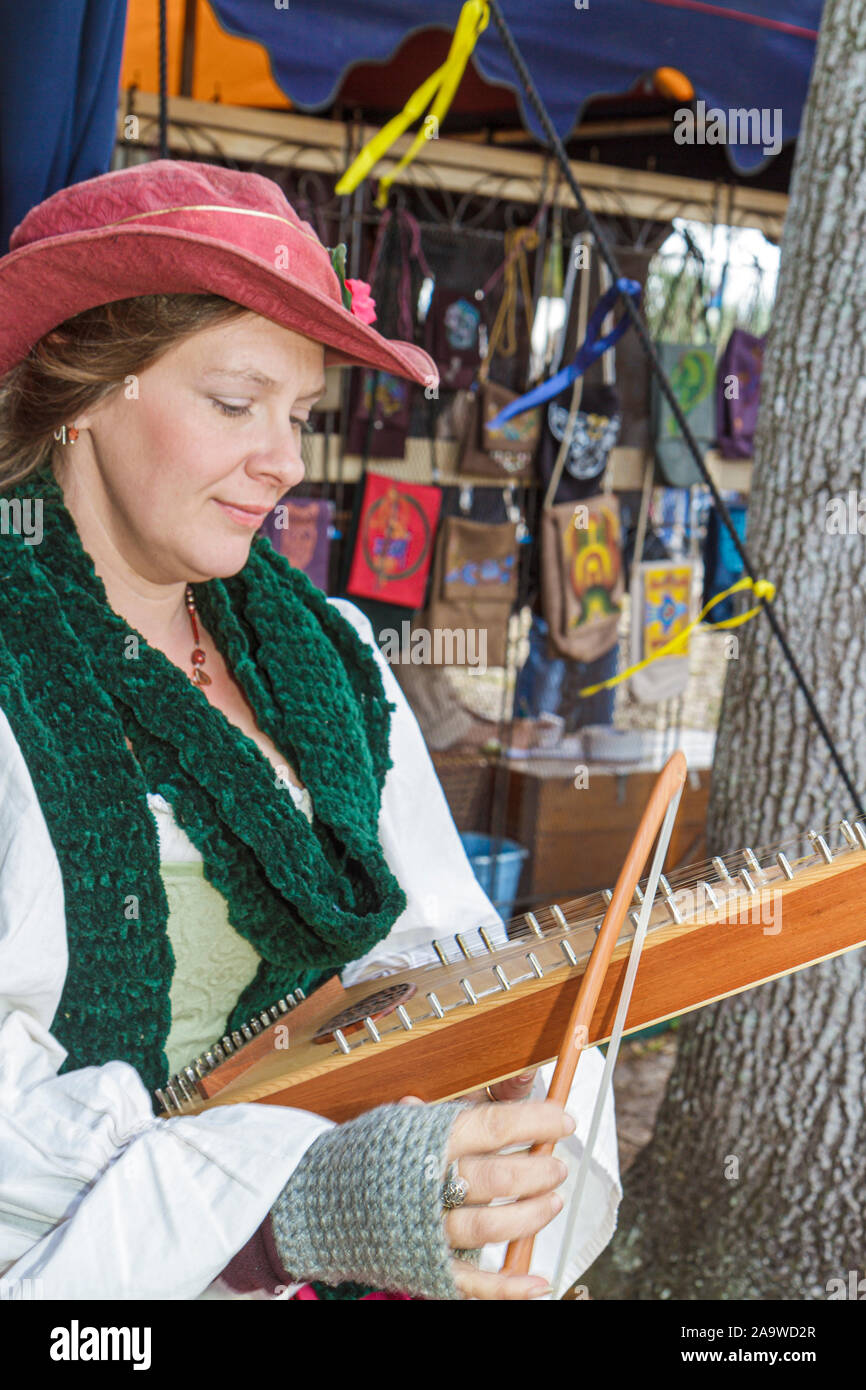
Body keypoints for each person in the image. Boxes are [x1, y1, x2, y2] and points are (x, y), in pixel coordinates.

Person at [0, 160, 620, 1301]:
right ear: (83, 388)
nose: (284, 462)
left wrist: (488, 1120)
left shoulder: (323, 653)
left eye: (296, 416)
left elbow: (441, 946)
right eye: (236, 405)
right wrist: (277, 1205)